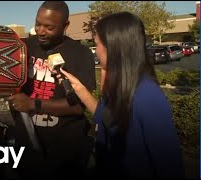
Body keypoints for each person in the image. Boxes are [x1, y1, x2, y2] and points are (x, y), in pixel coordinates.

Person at [0, 1, 96, 178]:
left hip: (66, 150)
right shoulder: (24, 47)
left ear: (65, 25)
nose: (40, 30)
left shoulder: (81, 54)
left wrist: (32, 104)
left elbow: (78, 106)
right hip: (26, 148)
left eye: (49, 27)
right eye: (37, 23)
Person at [55, 12, 184, 178]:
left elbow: (170, 165)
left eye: (97, 44)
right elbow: (104, 117)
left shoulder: (148, 96)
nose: (96, 52)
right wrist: (78, 87)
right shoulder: (123, 85)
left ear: (113, 47)